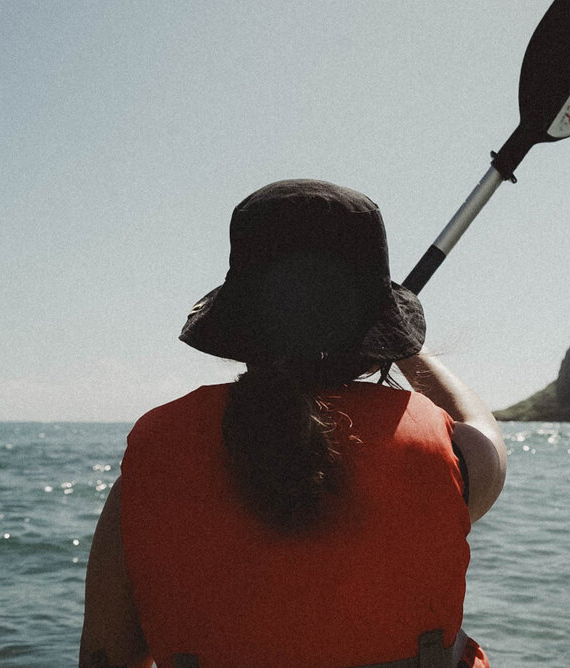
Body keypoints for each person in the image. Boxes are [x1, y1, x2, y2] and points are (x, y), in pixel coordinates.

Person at [79, 179, 507, 668]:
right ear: (376, 340)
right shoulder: (453, 463)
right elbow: (481, 430)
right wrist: (406, 343)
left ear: (241, 326)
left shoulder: (144, 484)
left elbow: (105, 657)